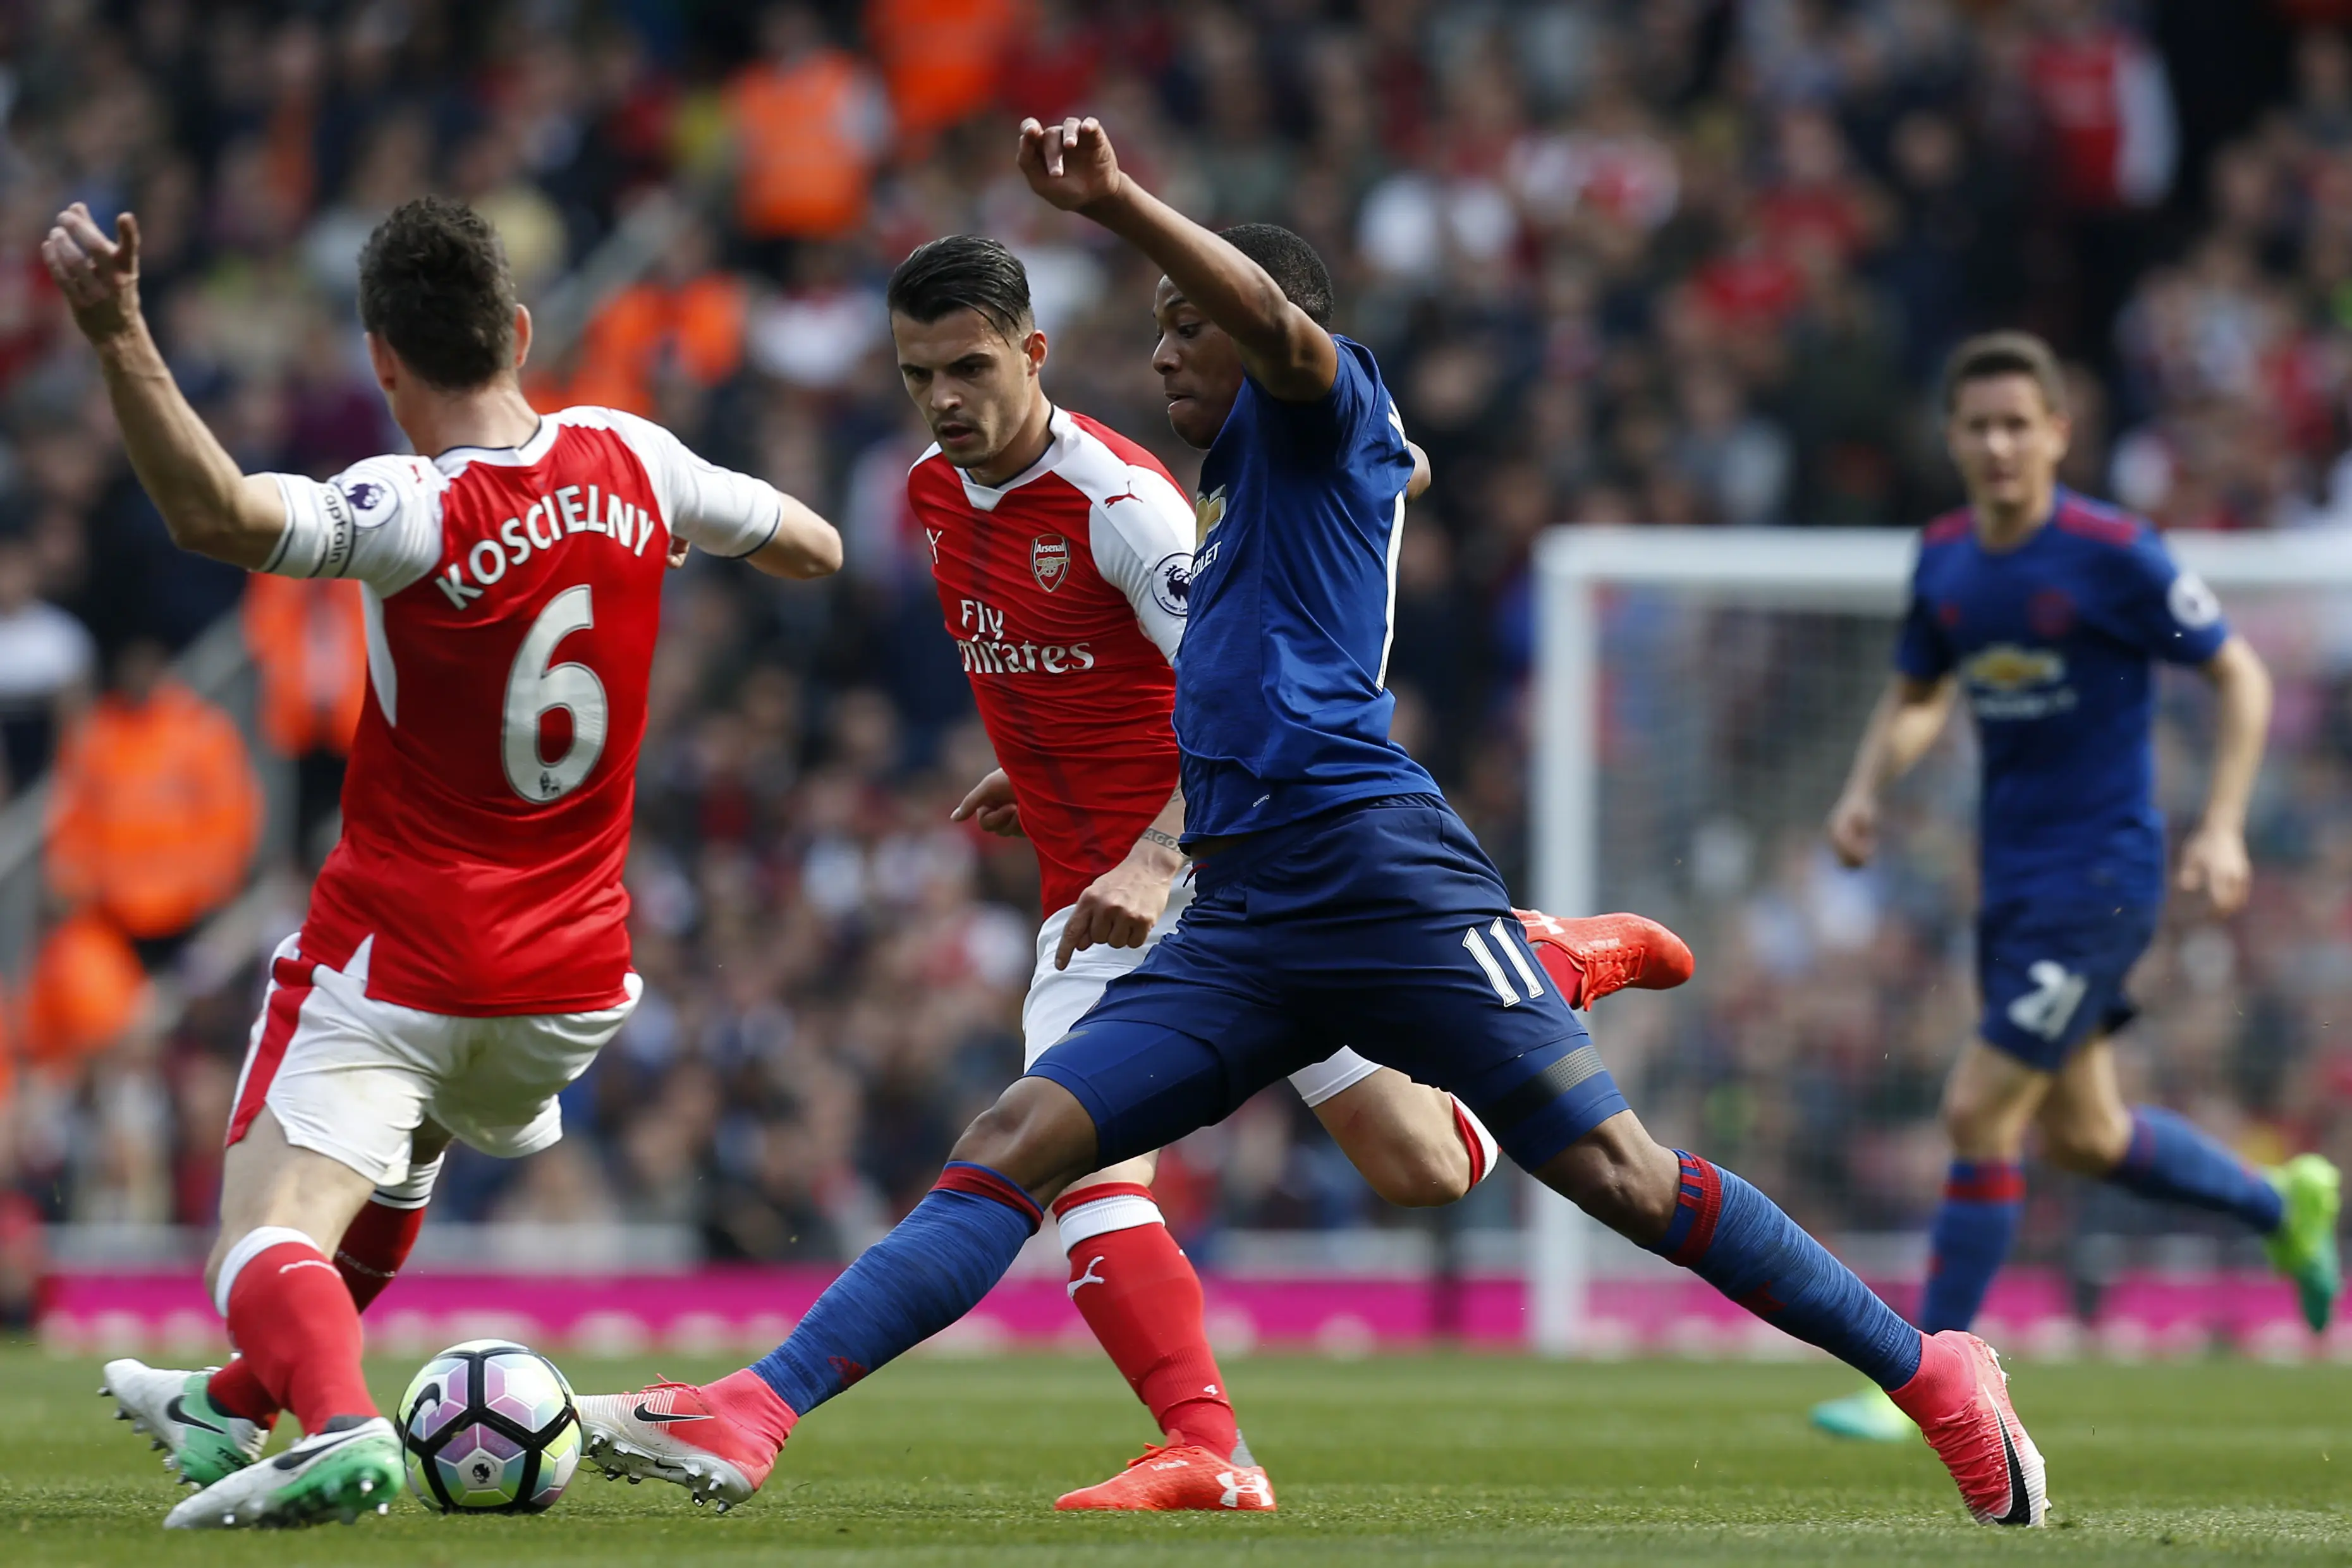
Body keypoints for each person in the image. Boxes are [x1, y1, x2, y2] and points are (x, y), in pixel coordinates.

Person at [567, 118, 2049, 1530]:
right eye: (1150, 329)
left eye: (1181, 326)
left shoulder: (1333, 416)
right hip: (1251, 916)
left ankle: (1935, 1374)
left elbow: (1274, 318)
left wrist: (1115, 204)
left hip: (1376, 870)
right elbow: (1211, 675)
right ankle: (755, 1409)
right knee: (1021, 1138)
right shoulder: (1228, 497)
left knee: (1621, 1180)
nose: (1160, 352)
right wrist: (1085, 792)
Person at [716, 233, 1685, 1511]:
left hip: (1210, 876)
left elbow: (1231, 689)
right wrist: (1052, 767)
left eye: (968, 367)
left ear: (1033, 354)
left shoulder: (1126, 502)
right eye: (917, 376)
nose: (945, 399)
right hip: (1099, 884)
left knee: (1128, 1167)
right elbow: (1081, 669)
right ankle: (1211, 1438)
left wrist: (1154, 844)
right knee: (1421, 1162)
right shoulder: (933, 498)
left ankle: (1203, 1439)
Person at [43, 193, 841, 1529]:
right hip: (576, 985)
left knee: (263, 1235)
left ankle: (343, 1427)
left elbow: (220, 517)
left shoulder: (407, 503)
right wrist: (672, 533)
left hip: (408, 951)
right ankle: (235, 1402)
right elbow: (810, 546)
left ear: (382, 360)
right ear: (522, 332)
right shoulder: (632, 454)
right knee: (396, 1153)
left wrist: (119, 332)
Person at [1808, 331, 2340, 1443]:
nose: (2000, 445)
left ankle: (1921, 1377)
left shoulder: (2115, 552)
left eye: (2020, 425)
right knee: (2086, 1136)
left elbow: (2238, 676)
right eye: (1979, 426)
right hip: (2009, 882)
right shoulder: (1947, 560)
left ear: (2058, 433)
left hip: (2104, 876)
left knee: (1977, 1106)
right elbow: (1917, 694)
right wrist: (1866, 786)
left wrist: (2227, 825)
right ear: (1952, 439)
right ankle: (2279, 1201)